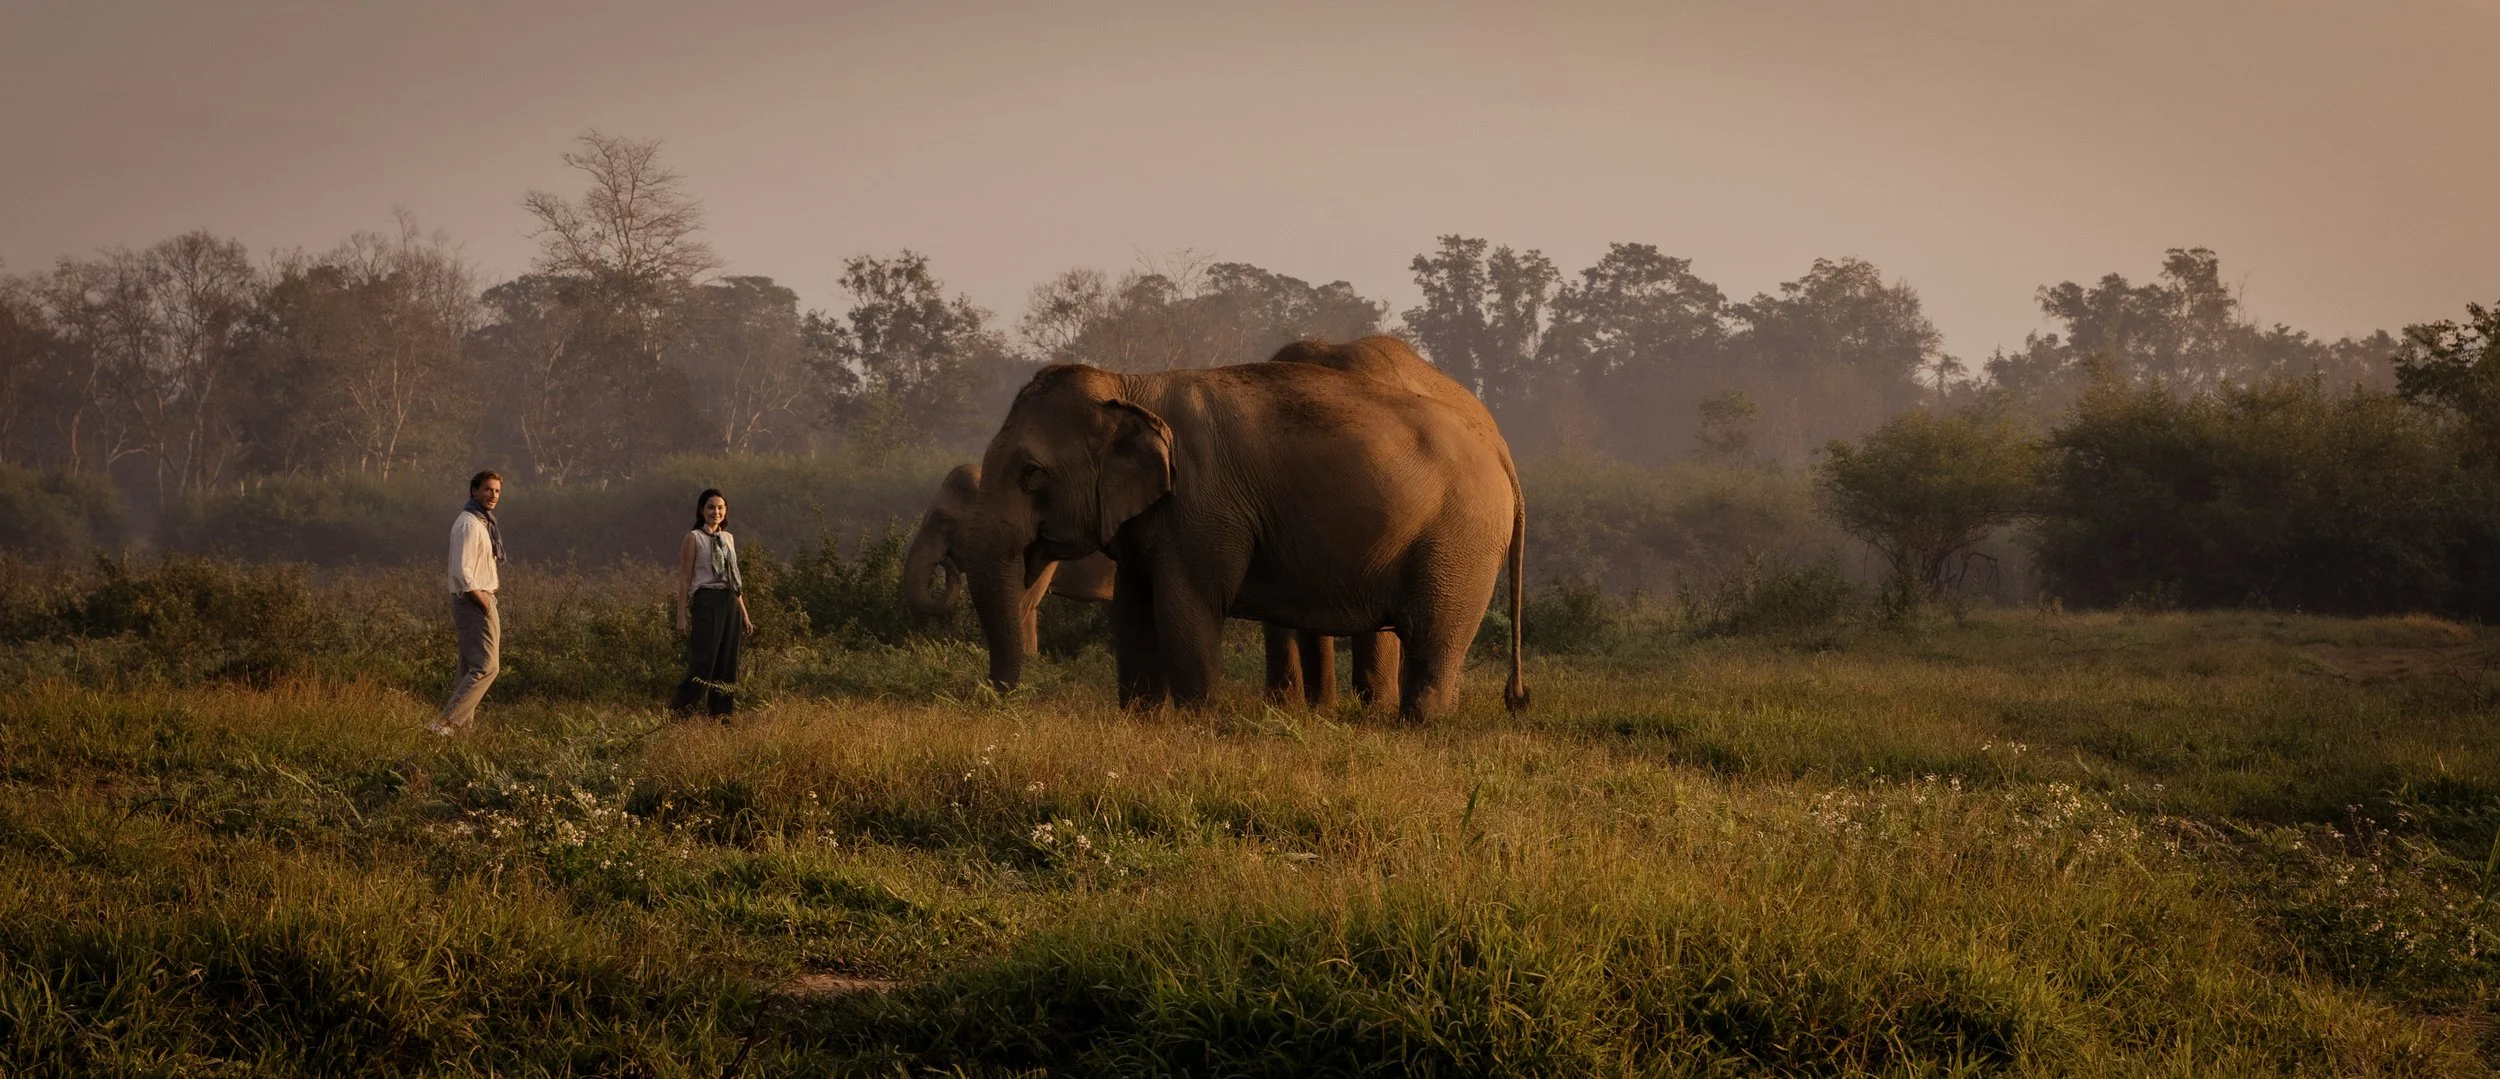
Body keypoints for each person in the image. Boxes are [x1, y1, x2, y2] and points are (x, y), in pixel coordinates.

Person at [433, 470, 505, 736]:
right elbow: (462, 571)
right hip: (474, 601)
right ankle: (443, 725)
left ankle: (461, 738)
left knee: (469, 670)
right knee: (487, 666)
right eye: (487, 489)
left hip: (477, 599)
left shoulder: (482, 522)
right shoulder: (468, 524)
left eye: (497, 491)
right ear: (474, 491)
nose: (493, 495)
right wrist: (483, 602)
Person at [674, 487, 754, 717]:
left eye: (720, 507)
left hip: (730, 602)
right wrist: (681, 616)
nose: (715, 512)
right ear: (701, 510)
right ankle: (680, 713)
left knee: (727, 664)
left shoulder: (728, 538)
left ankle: (721, 718)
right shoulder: (694, 538)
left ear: (725, 510)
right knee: (703, 662)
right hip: (707, 600)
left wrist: (745, 615)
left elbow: (734, 579)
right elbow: (684, 578)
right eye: (710, 507)